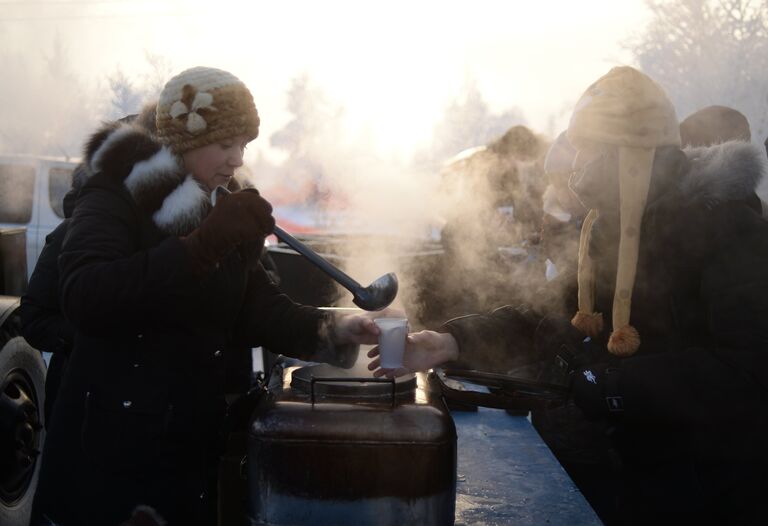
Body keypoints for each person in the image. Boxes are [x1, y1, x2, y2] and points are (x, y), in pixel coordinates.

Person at [370, 66, 768, 524]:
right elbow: (547, 316)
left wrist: (615, 385)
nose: (577, 170)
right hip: (642, 475)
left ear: (630, 154)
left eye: (589, 152)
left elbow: (750, 368)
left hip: (719, 489)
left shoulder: (731, 231)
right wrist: (449, 340)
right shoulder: (610, 230)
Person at [32, 66, 382, 526]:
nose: (238, 159)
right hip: (113, 454)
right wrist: (205, 244)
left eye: (244, 145)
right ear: (183, 138)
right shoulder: (114, 193)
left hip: (186, 444)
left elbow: (256, 306)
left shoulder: (218, 202)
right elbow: (84, 295)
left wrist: (334, 328)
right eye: (226, 144)